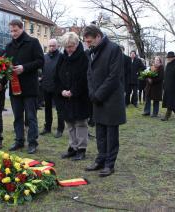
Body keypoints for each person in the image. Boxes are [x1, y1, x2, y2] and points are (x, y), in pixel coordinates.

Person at [84, 25, 126, 177]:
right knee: (100, 132)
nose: (88, 45)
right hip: (97, 98)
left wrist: (98, 94)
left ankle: (110, 164)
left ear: (98, 36)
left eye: (90, 41)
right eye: (86, 42)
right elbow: (89, 74)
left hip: (111, 99)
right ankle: (100, 159)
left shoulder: (114, 49)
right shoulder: (92, 52)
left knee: (111, 134)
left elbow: (114, 76)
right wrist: (91, 93)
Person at [5, 19, 44, 154]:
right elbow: (5, 64)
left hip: (30, 88)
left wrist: (24, 68)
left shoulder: (33, 42)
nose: (13, 33)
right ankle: (19, 140)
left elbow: (40, 61)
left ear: (22, 28)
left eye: (15, 30)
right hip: (14, 88)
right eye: (11, 31)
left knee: (31, 117)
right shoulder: (9, 46)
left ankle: (32, 142)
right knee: (17, 117)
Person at [54, 32, 90, 160]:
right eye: (67, 46)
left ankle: (81, 148)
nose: (69, 49)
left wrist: (73, 91)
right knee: (69, 123)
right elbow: (56, 76)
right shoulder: (62, 57)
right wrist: (61, 91)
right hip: (65, 97)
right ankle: (72, 147)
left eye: (72, 46)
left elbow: (84, 78)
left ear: (77, 44)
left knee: (80, 123)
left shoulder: (84, 57)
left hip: (80, 97)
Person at [40, 39, 65, 138]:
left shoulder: (62, 57)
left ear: (57, 46)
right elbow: (42, 70)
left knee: (60, 109)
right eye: (50, 46)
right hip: (46, 86)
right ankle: (47, 128)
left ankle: (60, 129)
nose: (51, 47)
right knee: (47, 109)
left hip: (58, 88)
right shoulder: (44, 57)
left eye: (53, 46)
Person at [161, 51, 175, 121]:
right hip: (167, 86)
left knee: (171, 102)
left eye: (170, 57)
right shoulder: (168, 65)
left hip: (174, 87)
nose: (169, 59)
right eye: (168, 57)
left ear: (173, 57)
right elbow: (166, 76)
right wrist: (164, 85)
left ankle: (167, 116)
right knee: (170, 102)